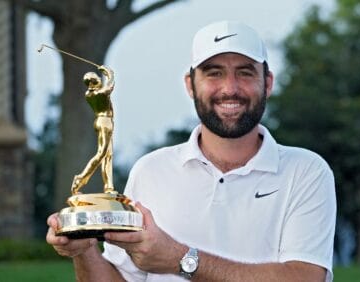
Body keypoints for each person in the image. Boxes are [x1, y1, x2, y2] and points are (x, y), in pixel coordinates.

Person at [46, 20, 336, 281]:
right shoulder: (151, 170)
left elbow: (304, 276)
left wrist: (182, 259)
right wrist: (83, 251)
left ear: (268, 83)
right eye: (214, 73)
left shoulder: (306, 171)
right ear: (190, 84)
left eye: (245, 73)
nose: (230, 88)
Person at [71, 65, 115, 196]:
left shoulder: (89, 94)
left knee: (108, 156)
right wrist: (109, 73)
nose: (99, 79)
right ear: (92, 83)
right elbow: (111, 86)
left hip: (105, 122)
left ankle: (109, 186)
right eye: (96, 78)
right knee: (101, 154)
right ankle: (81, 178)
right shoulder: (97, 93)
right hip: (104, 122)